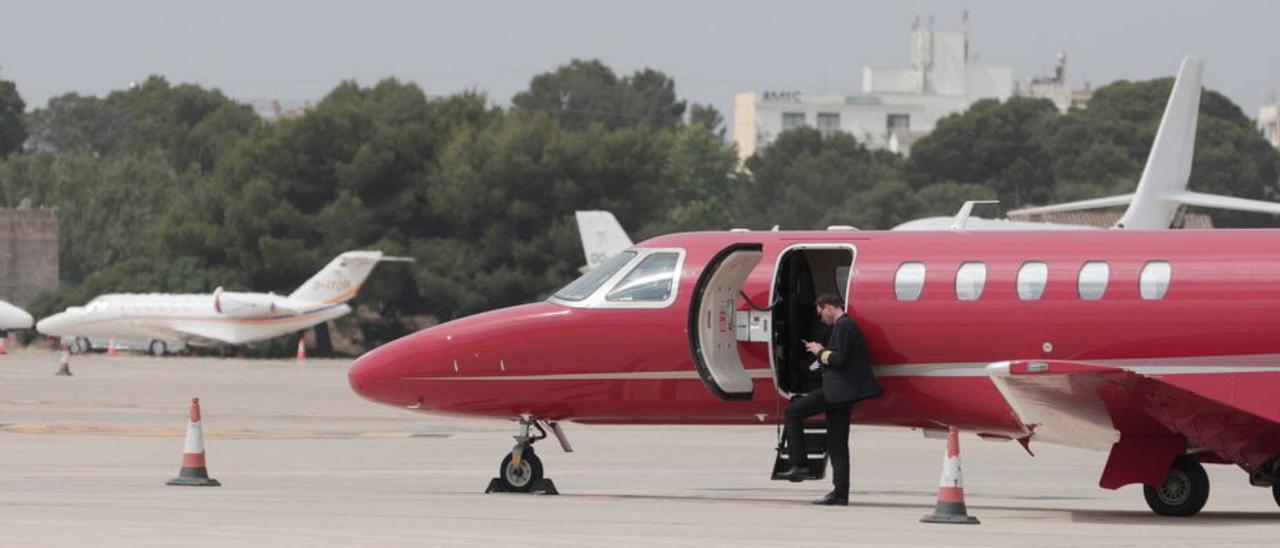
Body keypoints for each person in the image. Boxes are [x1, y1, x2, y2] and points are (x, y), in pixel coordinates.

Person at [781, 293, 884, 506]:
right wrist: (823, 352)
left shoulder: (843, 326)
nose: (821, 319)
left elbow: (839, 358)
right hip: (843, 394)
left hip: (836, 392)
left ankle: (799, 464)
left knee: (793, 412)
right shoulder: (845, 326)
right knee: (837, 445)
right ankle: (840, 493)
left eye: (821, 313)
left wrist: (820, 352)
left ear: (828, 307)